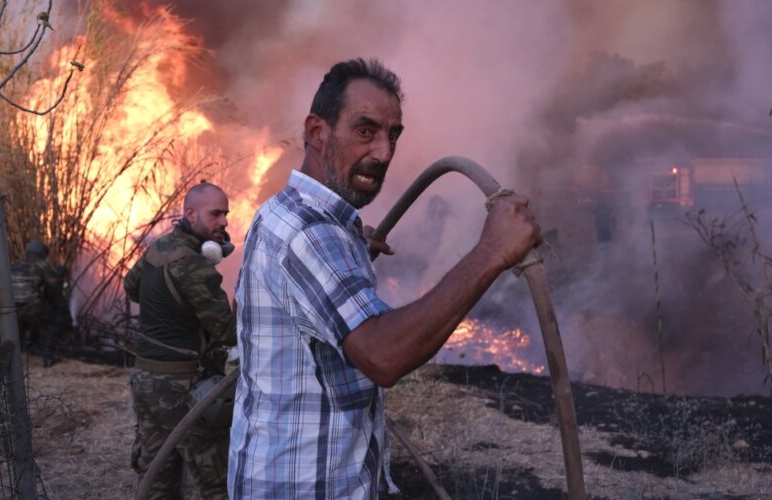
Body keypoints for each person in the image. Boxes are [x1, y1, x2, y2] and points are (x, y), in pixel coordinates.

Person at [228, 58, 542, 498]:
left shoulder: (283, 212)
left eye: (392, 135)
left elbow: (258, 305)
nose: (384, 152)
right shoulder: (311, 234)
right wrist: (491, 252)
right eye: (365, 130)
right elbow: (383, 356)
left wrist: (349, 252)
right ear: (317, 132)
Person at [124, 182, 237, 500]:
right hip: (183, 386)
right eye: (215, 214)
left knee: (158, 476)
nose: (224, 222)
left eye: (225, 214)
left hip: (146, 380)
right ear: (190, 213)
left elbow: (132, 287)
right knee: (218, 480)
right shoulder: (194, 265)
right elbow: (228, 331)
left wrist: (169, 311)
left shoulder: (159, 247)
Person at [11, 239, 64, 367]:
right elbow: (53, 284)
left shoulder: (15, 264)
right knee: (50, 324)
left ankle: (14, 360)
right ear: (41, 253)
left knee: (17, 332)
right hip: (31, 305)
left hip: (12, 306)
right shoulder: (40, 264)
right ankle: (48, 358)